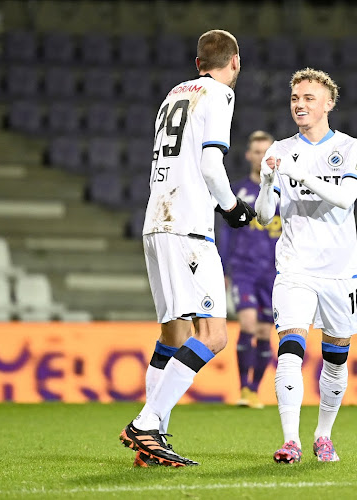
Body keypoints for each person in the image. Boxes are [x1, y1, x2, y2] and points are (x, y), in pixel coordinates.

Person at [119, 29, 256, 468]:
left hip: (156, 221)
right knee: (214, 335)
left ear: (198, 62)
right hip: (188, 227)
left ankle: (151, 437)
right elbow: (211, 163)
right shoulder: (219, 94)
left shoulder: (174, 94)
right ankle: (148, 422)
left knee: (172, 334)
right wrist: (233, 208)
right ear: (234, 62)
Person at [255, 68, 357, 464]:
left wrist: (297, 172)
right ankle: (291, 440)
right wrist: (266, 181)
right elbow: (265, 214)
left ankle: (323, 434)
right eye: (294, 99)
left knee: (336, 357)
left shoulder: (355, 148)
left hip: (340, 272)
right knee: (290, 348)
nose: (300, 105)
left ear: (328, 103)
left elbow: (344, 198)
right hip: (295, 267)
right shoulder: (281, 149)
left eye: (308, 98)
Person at [218, 130, 278, 409]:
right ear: (248, 155)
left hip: (274, 272)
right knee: (248, 324)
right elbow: (226, 233)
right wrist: (223, 268)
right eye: (257, 152)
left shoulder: (282, 191)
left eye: (266, 152)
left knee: (265, 333)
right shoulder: (236, 191)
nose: (261, 157)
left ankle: (254, 389)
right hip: (244, 269)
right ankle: (243, 387)